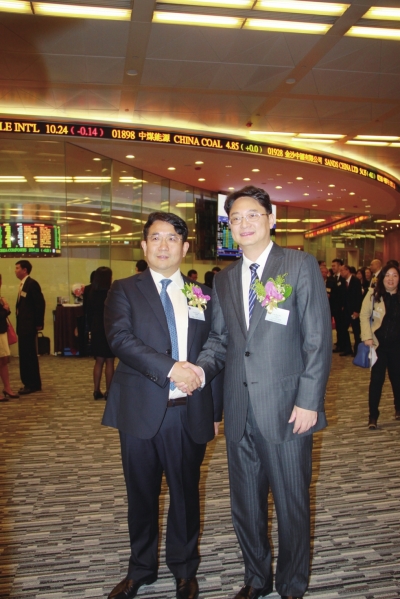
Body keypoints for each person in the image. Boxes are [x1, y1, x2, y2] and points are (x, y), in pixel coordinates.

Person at [193, 186, 331, 599]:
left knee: (291, 504)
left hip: (288, 408)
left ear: (271, 219)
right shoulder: (223, 279)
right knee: (246, 506)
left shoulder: (299, 264)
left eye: (252, 214)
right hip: (239, 410)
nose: (244, 223)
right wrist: (197, 372)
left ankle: (291, 584)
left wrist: (309, 400)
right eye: (235, 218)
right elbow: (220, 341)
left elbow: (317, 338)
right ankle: (256, 578)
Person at [102, 212, 223, 599]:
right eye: (156, 238)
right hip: (139, 411)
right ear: (144, 245)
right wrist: (172, 368)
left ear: (185, 248)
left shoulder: (202, 293)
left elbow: (216, 346)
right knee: (141, 496)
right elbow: (120, 339)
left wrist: (215, 410)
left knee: (186, 496)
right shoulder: (124, 289)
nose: (164, 245)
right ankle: (141, 568)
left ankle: (184, 569)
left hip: (188, 412)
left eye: (172, 238)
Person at [360, 265, 400, 430]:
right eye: (387, 275)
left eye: (395, 275)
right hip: (378, 345)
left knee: (397, 379)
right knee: (376, 380)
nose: (391, 279)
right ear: (382, 278)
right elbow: (364, 315)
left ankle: (398, 408)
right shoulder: (373, 294)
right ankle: (373, 416)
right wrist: (367, 336)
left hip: (397, 346)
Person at [15, 260, 45, 395]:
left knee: (29, 355)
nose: (15, 271)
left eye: (17, 268)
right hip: (23, 325)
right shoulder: (22, 284)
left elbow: (39, 304)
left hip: (29, 325)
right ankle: (28, 382)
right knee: (24, 354)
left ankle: (32, 383)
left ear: (25, 270)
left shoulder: (32, 284)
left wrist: (39, 323)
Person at [87, 267, 115, 400]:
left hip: (96, 327)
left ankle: (96, 390)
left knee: (98, 361)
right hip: (110, 328)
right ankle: (109, 391)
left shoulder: (90, 291)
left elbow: (88, 311)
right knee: (110, 361)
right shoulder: (112, 292)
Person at [338, 264, 362, 357]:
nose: (341, 273)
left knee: (356, 331)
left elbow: (358, 296)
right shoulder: (342, 281)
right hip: (346, 310)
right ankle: (348, 349)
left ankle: (357, 350)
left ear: (347, 270)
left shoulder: (355, 281)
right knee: (343, 328)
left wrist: (357, 311)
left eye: (342, 270)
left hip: (354, 310)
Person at [0, 294, 19, 401]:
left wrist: (6, 308)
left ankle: (7, 388)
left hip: (2, 331)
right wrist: (5, 308)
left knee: (4, 360)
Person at [327, 258, 345, 353]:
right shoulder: (331, 278)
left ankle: (341, 344)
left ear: (340, 266)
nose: (333, 267)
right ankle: (337, 343)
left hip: (340, 307)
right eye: (332, 266)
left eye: (334, 266)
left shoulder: (343, 278)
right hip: (331, 306)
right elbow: (328, 290)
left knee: (340, 326)